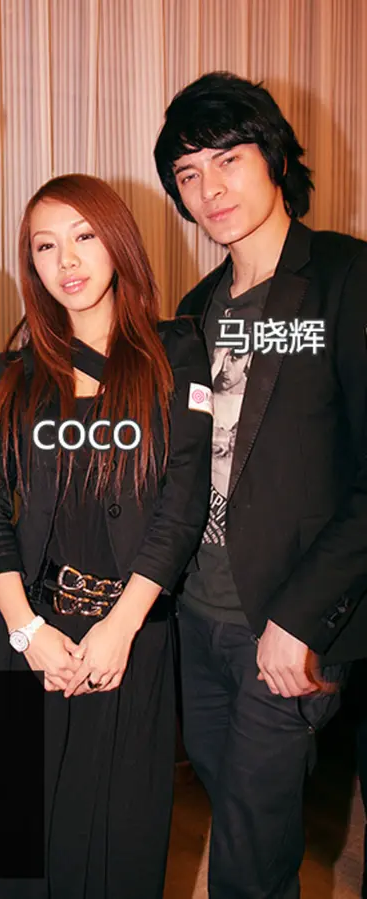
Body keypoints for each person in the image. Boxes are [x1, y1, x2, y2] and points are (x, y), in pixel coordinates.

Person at [0, 173, 212, 898]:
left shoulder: (176, 352)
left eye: (83, 236)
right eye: (45, 246)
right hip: (33, 634)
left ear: (118, 244)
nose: (66, 260)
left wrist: (119, 627)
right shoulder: (14, 372)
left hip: (130, 636)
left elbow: (181, 504)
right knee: (27, 855)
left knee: (119, 847)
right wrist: (28, 633)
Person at [154, 70, 367, 898]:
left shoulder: (346, 278)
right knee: (230, 802)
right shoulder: (196, 306)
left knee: (249, 844)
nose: (209, 189)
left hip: (286, 623)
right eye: (188, 173)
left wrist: (302, 617)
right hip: (198, 616)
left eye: (228, 159)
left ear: (274, 157)